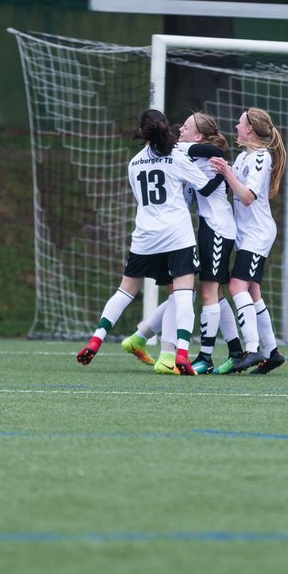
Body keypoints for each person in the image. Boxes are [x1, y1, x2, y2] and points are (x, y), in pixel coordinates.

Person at [77, 109, 216, 375]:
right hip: (176, 235)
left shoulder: (134, 163)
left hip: (145, 237)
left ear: (143, 132)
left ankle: (96, 338)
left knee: (125, 291)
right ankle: (182, 354)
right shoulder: (176, 157)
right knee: (184, 293)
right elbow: (206, 187)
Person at [120, 112, 247, 374]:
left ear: (197, 136)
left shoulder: (185, 149)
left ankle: (206, 356)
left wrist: (221, 172)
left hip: (217, 228)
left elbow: (213, 152)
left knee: (201, 293)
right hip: (201, 229)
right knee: (198, 293)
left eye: (186, 128)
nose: (179, 132)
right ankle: (235, 351)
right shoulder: (184, 157)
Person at [210, 107, 288, 373]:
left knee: (236, 287)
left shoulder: (260, 157)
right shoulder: (245, 157)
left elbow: (248, 196)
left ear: (250, 129)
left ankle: (252, 350)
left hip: (257, 233)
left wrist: (226, 172)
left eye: (240, 123)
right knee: (252, 292)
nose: (235, 126)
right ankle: (272, 352)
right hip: (247, 233)